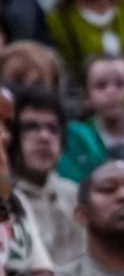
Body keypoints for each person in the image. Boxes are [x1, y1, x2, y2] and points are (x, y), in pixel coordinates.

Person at [9, 87, 83, 266]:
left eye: (53, 129)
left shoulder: (75, 194)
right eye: (30, 127)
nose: (44, 137)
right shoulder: (5, 198)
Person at [70, 54, 124, 174]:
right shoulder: (80, 138)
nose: (111, 92)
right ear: (86, 96)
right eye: (101, 85)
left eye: (120, 84)